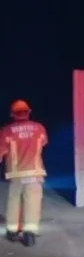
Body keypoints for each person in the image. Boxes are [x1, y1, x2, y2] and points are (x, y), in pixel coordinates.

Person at [0, 100, 49, 247]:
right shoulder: (39, 128)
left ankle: (12, 231)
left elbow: (1, 150)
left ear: (13, 114)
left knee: (14, 201)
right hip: (35, 172)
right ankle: (30, 233)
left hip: (16, 174)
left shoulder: (6, 130)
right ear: (28, 112)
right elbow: (44, 142)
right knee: (33, 202)